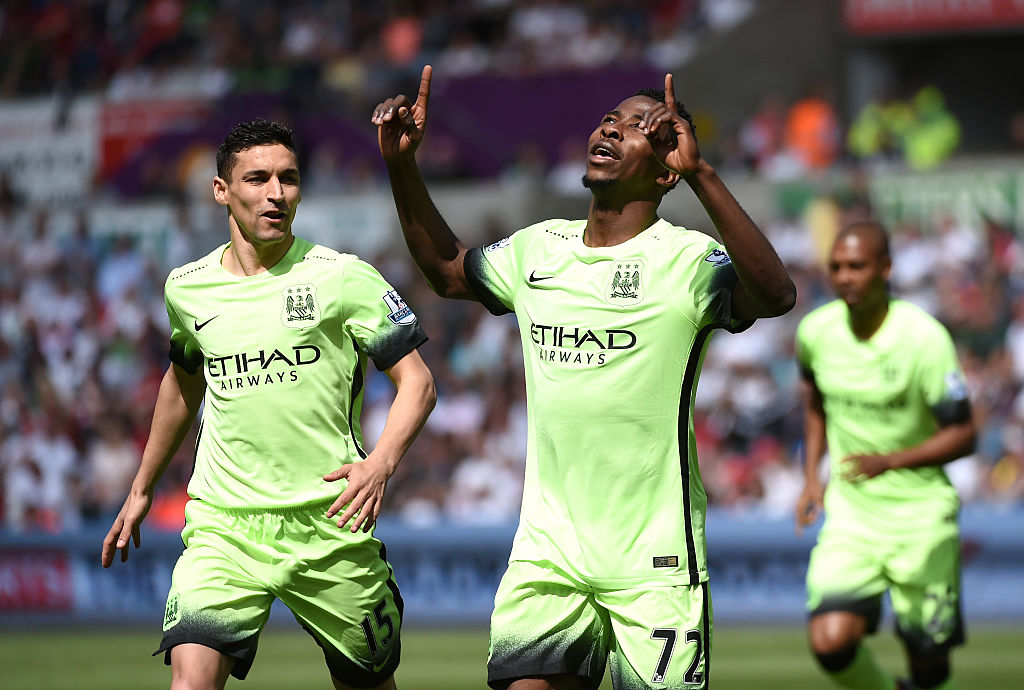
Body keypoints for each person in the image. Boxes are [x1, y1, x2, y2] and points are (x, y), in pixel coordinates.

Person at [373, 65, 796, 690]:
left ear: (664, 168)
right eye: (608, 120)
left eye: (635, 129)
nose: (611, 129)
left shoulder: (683, 261)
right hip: (548, 553)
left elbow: (776, 294)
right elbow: (445, 271)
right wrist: (403, 167)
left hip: (653, 562)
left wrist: (703, 175)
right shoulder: (539, 248)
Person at [100, 118, 436, 690]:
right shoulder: (187, 287)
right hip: (225, 525)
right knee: (190, 681)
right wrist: (141, 488)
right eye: (257, 179)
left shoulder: (342, 277)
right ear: (221, 190)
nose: (276, 193)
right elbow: (184, 383)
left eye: (289, 178)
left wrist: (380, 463)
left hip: (330, 522)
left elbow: (418, 383)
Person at [795, 221, 976, 690]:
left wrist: (891, 461)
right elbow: (815, 403)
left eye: (857, 266)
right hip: (853, 518)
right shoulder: (816, 331)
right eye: (836, 267)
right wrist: (811, 477)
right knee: (830, 642)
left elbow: (964, 435)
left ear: (886, 269)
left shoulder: (924, 338)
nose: (845, 277)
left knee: (929, 664)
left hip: (921, 518)